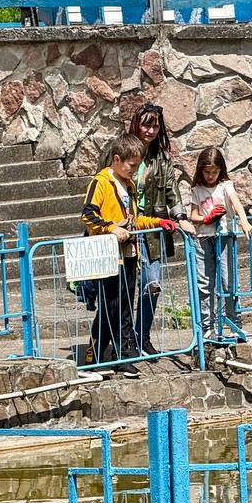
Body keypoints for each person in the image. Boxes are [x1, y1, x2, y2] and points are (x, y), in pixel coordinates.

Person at [99, 103, 193, 354]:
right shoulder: (117, 150)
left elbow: (172, 189)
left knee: (152, 284)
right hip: (122, 230)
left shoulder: (161, 158)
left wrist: (181, 217)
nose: (150, 131)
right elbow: (102, 184)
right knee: (120, 291)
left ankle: (142, 337)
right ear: (136, 124)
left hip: (150, 229)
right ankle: (118, 343)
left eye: (155, 126)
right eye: (146, 125)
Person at [81, 134, 178, 364]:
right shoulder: (101, 182)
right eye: (132, 165)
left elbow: (134, 219)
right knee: (110, 307)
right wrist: (111, 228)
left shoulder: (129, 185)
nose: (135, 170)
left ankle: (120, 354)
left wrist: (157, 222)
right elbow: (88, 214)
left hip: (129, 255)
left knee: (124, 307)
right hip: (108, 256)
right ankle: (100, 354)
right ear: (117, 159)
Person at [189, 146, 252, 343]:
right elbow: (193, 215)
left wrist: (244, 221)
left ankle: (235, 324)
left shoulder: (226, 185)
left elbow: (236, 203)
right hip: (203, 238)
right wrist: (206, 218)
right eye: (207, 172)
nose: (210, 176)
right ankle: (207, 327)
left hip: (224, 237)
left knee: (228, 281)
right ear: (201, 170)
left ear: (221, 170)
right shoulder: (196, 189)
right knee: (204, 284)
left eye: (214, 172)